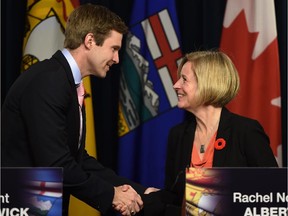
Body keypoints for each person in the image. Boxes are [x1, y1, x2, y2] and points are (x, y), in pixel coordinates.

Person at [1, 4, 158, 216]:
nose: (117, 59)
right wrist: (112, 195)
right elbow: (57, 163)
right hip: (24, 205)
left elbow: (78, 160)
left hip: (42, 203)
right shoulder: (49, 81)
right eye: (114, 49)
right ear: (90, 40)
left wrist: (140, 191)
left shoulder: (65, 82)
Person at [147, 50, 279, 215]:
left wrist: (203, 202)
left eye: (184, 79)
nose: (176, 85)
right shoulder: (178, 134)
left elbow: (272, 196)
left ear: (207, 83)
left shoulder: (245, 132)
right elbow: (177, 196)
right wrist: (143, 198)